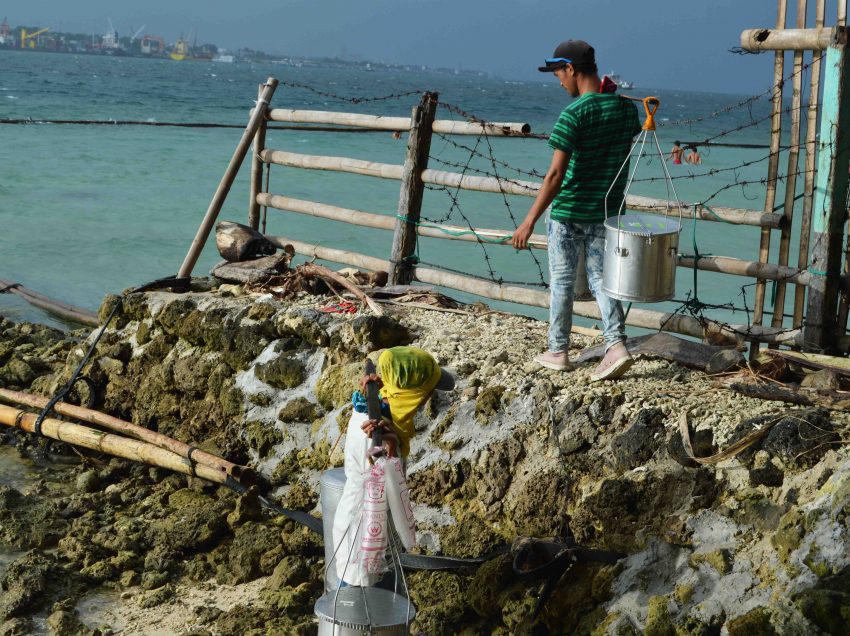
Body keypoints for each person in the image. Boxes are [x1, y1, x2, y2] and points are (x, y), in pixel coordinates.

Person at [511, 39, 641, 381]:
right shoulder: (628, 110)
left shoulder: (573, 114)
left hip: (569, 211)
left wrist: (527, 222)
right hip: (607, 209)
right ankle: (616, 345)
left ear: (571, 69)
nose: (558, 81)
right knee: (602, 279)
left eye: (558, 73)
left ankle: (558, 350)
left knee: (563, 280)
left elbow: (555, 175)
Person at [332, 346, 454, 587]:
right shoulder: (376, 436)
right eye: (425, 392)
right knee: (365, 612)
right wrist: (390, 452)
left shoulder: (373, 412)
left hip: (373, 541)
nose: (427, 399)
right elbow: (389, 497)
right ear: (411, 394)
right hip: (364, 547)